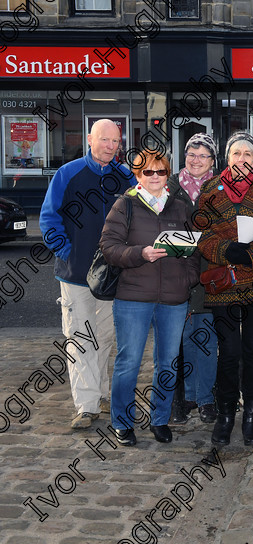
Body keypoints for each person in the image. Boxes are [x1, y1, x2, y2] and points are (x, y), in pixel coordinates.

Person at [39, 119, 136, 429]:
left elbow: (139, 219)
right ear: (90, 140)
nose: (110, 146)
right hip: (75, 277)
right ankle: (87, 405)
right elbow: (48, 219)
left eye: (115, 141)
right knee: (80, 339)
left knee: (105, 337)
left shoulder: (125, 177)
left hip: (111, 277)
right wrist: (68, 254)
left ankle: (101, 393)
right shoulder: (67, 173)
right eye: (104, 140)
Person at [100, 150, 199, 445]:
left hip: (173, 297)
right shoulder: (125, 204)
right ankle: (122, 422)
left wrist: (188, 279)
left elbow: (196, 248)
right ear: (137, 174)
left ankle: (159, 419)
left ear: (167, 173)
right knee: (128, 361)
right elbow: (108, 246)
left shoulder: (181, 205)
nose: (155, 177)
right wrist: (139, 253)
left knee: (167, 363)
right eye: (148, 172)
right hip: (133, 297)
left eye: (161, 172)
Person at [196, 131, 253, 447]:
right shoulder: (208, 190)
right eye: (236, 154)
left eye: (248, 154)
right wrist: (228, 252)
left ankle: (251, 417)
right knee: (229, 352)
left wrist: (250, 256)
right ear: (227, 158)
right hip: (225, 282)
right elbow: (202, 234)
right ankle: (226, 415)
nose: (242, 159)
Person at [168, 133, 219, 424]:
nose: (196, 160)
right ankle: (183, 398)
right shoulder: (169, 185)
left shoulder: (220, 187)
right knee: (178, 340)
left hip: (211, 274)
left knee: (207, 340)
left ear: (212, 160)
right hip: (176, 273)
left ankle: (206, 399)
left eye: (202, 155)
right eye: (191, 154)